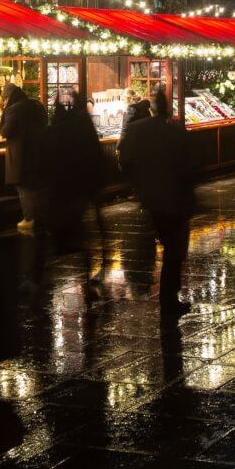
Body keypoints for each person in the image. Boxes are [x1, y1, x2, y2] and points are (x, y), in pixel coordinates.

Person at [118, 88, 193, 321]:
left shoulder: (139, 129)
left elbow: (126, 159)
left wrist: (139, 186)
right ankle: (168, 299)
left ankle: (168, 298)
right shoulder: (174, 131)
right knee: (174, 251)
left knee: (168, 247)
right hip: (174, 198)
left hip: (152, 198)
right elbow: (188, 166)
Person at [45, 93, 106, 296]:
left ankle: (44, 279)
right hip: (84, 181)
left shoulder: (56, 126)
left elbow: (51, 156)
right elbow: (94, 150)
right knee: (87, 228)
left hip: (66, 184)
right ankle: (87, 275)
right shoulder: (83, 123)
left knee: (74, 229)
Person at [0, 83, 48, 237]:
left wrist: (3, 112)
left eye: (4, 99)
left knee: (23, 186)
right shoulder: (35, 105)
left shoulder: (13, 110)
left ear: (8, 97)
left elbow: (5, 131)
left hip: (21, 155)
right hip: (38, 152)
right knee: (34, 185)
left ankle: (29, 218)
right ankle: (39, 216)